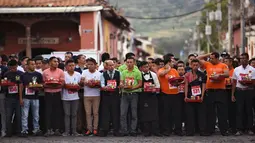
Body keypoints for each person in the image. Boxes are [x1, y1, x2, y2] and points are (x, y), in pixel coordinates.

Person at [198, 52, 229, 136]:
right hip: (210, 91)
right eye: (210, 58)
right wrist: (208, 54)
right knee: (210, 112)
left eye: (212, 58)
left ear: (217, 58)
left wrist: (219, 76)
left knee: (221, 111)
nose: (210, 59)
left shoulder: (223, 65)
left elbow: (227, 74)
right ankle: (210, 130)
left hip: (220, 91)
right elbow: (197, 58)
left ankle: (224, 130)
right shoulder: (208, 64)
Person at [157, 55, 183, 136]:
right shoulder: (161, 70)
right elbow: (161, 74)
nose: (173, 63)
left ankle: (178, 130)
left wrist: (178, 82)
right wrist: (168, 69)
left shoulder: (174, 71)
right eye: (171, 62)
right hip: (166, 94)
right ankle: (167, 130)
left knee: (177, 113)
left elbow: (178, 80)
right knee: (166, 114)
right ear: (168, 62)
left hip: (175, 94)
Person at [232, 53, 255, 135]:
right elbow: (234, 82)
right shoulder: (236, 69)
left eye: (244, 58)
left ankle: (249, 128)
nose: (242, 60)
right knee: (239, 110)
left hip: (249, 91)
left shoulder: (252, 69)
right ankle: (239, 129)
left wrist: (247, 83)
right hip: (239, 91)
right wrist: (232, 94)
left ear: (247, 59)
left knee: (249, 110)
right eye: (241, 58)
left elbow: (253, 82)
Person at [184, 59, 208, 136]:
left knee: (201, 115)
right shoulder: (187, 75)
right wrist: (185, 96)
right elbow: (186, 85)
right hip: (190, 97)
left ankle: (202, 131)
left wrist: (202, 97)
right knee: (190, 115)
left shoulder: (202, 75)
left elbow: (204, 86)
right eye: (193, 65)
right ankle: (190, 131)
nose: (195, 67)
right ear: (190, 65)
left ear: (198, 65)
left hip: (199, 97)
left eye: (196, 65)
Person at [19, 59, 43, 137]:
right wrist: (20, 98)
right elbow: (21, 87)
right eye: (32, 64)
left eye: (34, 64)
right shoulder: (23, 75)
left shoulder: (38, 74)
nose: (34, 66)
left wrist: (37, 87)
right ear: (28, 65)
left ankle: (36, 129)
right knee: (24, 115)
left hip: (35, 97)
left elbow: (41, 85)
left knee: (36, 115)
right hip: (26, 97)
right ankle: (24, 130)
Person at [120, 57, 142, 136]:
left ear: (134, 63)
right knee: (123, 113)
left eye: (130, 62)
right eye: (128, 62)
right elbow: (121, 82)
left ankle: (133, 130)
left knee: (134, 114)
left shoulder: (137, 72)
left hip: (134, 94)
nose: (129, 64)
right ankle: (124, 130)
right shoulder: (124, 72)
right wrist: (122, 85)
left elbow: (140, 84)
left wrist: (132, 87)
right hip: (125, 94)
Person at [42, 56, 65, 137]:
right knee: (48, 112)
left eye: (57, 62)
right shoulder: (45, 72)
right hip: (48, 94)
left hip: (57, 94)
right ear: (50, 62)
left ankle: (57, 130)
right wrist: (49, 85)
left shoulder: (61, 71)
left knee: (57, 112)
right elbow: (43, 83)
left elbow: (62, 83)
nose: (56, 63)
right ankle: (48, 130)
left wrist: (55, 86)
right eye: (54, 61)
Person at [139, 61, 162, 137]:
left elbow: (158, 86)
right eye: (144, 67)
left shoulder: (154, 75)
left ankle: (156, 131)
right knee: (145, 114)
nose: (146, 68)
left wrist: (153, 89)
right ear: (141, 68)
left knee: (155, 113)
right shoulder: (139, 75)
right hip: (143, 96)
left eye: (147, 66)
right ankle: (146, 131)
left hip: (152, 96)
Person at [99, 60, 121, 137]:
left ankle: (116, 130)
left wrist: (120, 86)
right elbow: (101, 84)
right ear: (106, 66)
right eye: (109, 65)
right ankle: (104, 130)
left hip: (115, 95)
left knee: (116, 113)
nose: (111, 67)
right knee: (106, 113)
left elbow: (121, 82)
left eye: (112, 65)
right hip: (106, 95)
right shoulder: (103, 74)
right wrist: (104, 87)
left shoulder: (119, 73)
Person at [81, 58, 101, 136]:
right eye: (88, 64)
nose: (90, 66)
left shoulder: (99, 74)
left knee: (95, 113)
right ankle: (89, 129)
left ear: (95, 65)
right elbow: (81, 82)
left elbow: (100, 84)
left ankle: (95, 128)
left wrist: (95, 84)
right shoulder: (84, 72)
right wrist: (85, 82)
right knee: (88, 113)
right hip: (87, 95)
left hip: (96, 95)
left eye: (91, 64)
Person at [4, 60, 23, 137]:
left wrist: (21, 98)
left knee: (19, 115)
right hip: (9, 98)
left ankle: (19, 131)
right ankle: (9, 132)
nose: (13, 69)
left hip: (18, 98)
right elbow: (4, 84)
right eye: (11, 68)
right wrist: (6, 85)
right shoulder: (6, 74)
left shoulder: (20, 74)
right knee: (8, 115)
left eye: (14, 67)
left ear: (17, 66)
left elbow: (22, 85)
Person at [62, 59, 81, 136]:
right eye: (69, 66)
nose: (71, 67)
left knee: (74, 114)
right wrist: (69, 86)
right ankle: (67, 131)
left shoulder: (78, 74)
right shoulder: (63, 74)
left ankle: (74, 131)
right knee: (67, 114)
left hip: (75, 97)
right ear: (66, 67)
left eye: (73, 65)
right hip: (65, 97)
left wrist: (77, 86)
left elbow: (80, 85)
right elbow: (63, 85)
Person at [224, 57, 236, 134]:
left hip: (232, 91)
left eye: (226, 61)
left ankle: (233, 127)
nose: (224, 63)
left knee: (232, 110)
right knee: (225, 111)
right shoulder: (223, 70)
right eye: (224, 61)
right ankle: (226, 127)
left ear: (231, 62)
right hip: (224, 91)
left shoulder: (234, 71)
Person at [0, 56, 8, 137]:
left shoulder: (4, 69)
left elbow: (6, 80)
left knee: (3, 112)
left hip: (1, 93)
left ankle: (3, 130)